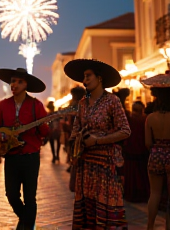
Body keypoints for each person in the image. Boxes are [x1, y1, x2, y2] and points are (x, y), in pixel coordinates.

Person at [64, 59, 130, 230]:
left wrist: (98, 140)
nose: (84, 81)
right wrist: (75, 143)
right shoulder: (82, 104)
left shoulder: (112, 101)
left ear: (99, 78)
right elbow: (75, 129)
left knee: (106, 206)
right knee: (88, 207)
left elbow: (125, 130)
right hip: (86, 164)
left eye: (88, 76)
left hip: (106, 164)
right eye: (84, 77)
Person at [0, 68, 49, 230]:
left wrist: (44, 124)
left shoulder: (36, 105)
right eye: (13, 81)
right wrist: (2, 136)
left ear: (26, 84)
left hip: (31, 156)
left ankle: (26, 226)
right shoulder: (3, 105)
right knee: (12, 195)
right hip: (11, 156)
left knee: (30, 197)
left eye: (19, 81)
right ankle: (27, 220)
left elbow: (45, 132)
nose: (14, 84)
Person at [141, 73, 170, 230]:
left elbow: (147, 143)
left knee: (155, 194)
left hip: (156, 154)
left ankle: (150, 226)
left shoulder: (150, 118)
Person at [123, 101, 150, 202]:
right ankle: (142, 194)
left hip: (131, 150)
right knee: (142, 175)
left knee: (131, 175)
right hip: (142, 150)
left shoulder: (129, 119)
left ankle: (132, 193)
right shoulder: (146, 119)